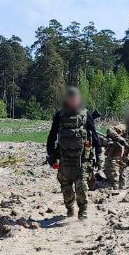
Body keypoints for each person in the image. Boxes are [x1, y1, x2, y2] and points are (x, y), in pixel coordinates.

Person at [46, 87, 102, 219]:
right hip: (64, 160)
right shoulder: (60, 116)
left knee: (81, 188)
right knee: (67, 190)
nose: (73, 101)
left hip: (83, 159)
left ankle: (83, 213)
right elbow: (52, 137)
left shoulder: (86, 115)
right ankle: (70, 208)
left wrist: (99, 157)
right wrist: (51, 155)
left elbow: (95, 137)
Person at [102, 111, 129, 190]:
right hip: (113, 160)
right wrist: (119, 138)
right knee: (114, 185)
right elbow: (110, 130)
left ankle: (100, 179)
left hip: (123, 163)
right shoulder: (123, 127)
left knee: (122, 185)